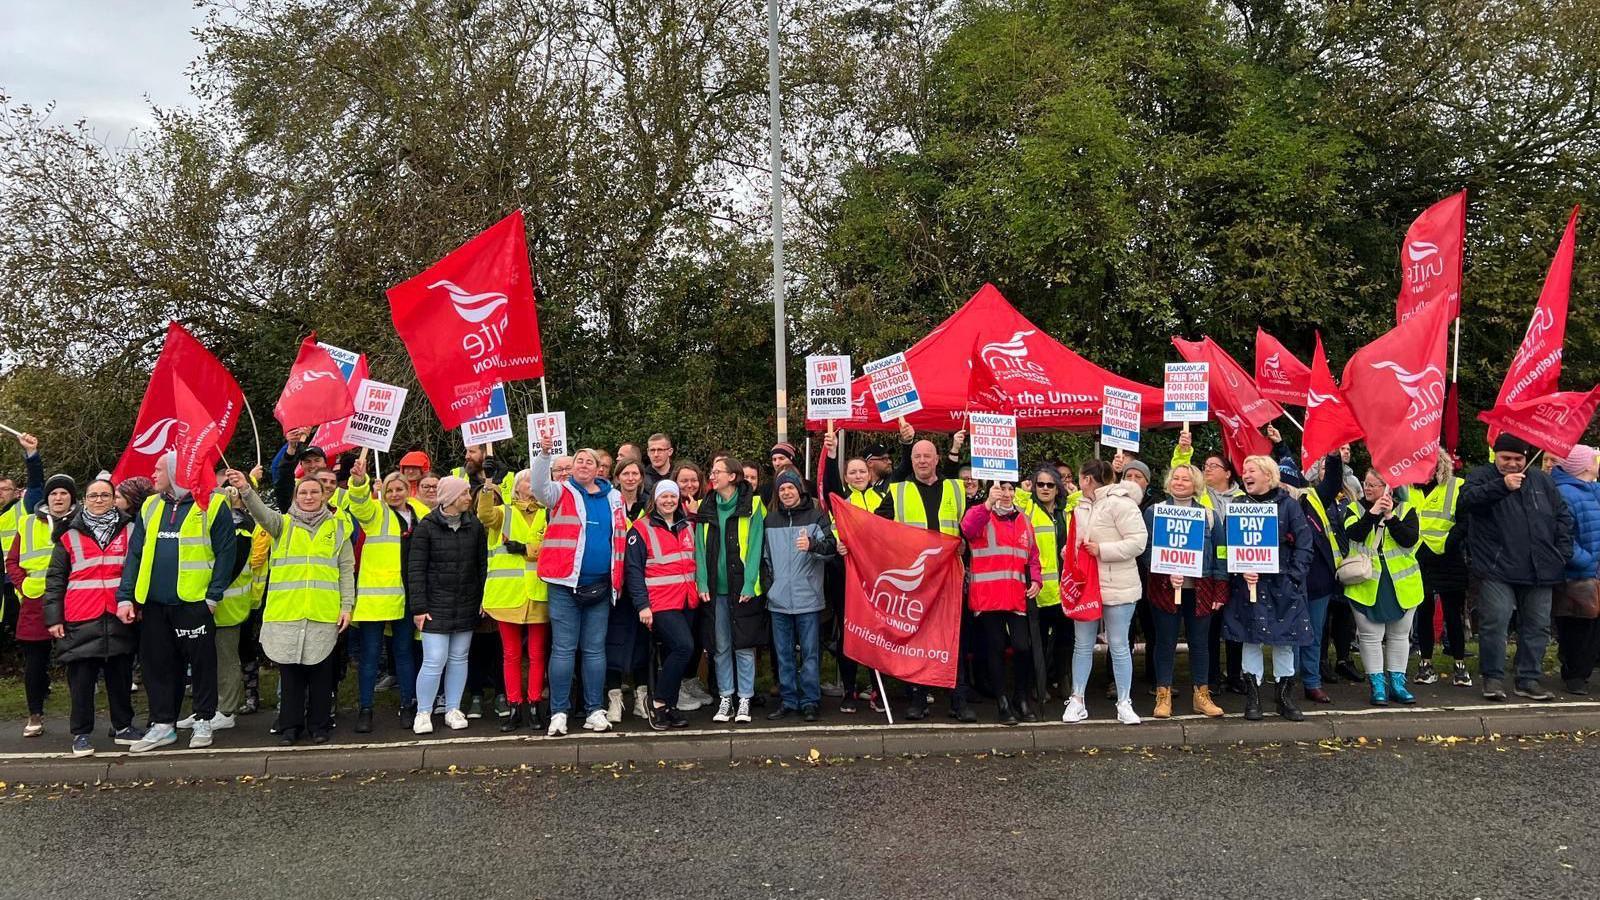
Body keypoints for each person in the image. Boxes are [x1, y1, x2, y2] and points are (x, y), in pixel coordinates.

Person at [117, 451, 236, 752]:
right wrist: (126, 596)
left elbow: (226, 553)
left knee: (202, 664)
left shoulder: (213, 502)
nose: (153, 475)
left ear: (177, 471)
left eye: (159, 470)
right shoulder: (150, 504)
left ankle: (204, 719)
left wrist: (213, 596)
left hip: (194, 602)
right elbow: (135, 554)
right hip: (154, 603)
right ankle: (162, 725)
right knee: (157, 665)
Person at [228, 468, 355, 744]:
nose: (308, 497)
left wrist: (347, 606)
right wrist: (246, 490)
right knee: (291, 674)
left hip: (323, 612)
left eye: (314, 492)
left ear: (324, 495)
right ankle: (290, 726)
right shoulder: (281, 524)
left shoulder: (338, 528)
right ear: (296, 497)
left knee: (321, 675)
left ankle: (319, 726)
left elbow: (346, 570)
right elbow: (260, 513)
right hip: (287, 613)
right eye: (303, 492)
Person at [1462, 434, 1573, 701]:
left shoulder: (1542, 480)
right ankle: (1493, 678)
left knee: (1537, 626)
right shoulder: (1481, 476)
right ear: (1495, 456)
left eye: (1518, 458)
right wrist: (1502, 486)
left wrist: (1561, 553)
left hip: (1540, 567)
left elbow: (1562, 516)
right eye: (1506, 458)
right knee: (1495, 622)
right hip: (1496, 568)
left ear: (1526, 458)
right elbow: (1466, 502)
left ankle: (1528, 679)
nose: (1512, 463)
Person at [531, 442, 628, 737]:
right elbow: (538, 487)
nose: (584, 465)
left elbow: (619, 540)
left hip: (600, 585)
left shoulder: (614, 497)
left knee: (595, 651)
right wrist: (545, 456)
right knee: (563, 649)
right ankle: (559, 712)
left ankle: (594, 710)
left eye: (590, 461)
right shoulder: (562, 492)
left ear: (599, 468)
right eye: (579, 461)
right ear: (572, 467)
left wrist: (617, 581)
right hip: (564, 583)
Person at [42, 477, 142, 755]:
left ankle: (123, 727)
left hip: (119, 614)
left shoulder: (131, 529)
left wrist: (137, 605)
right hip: (80, 616)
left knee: (120, 678)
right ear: (84, 501)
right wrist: (54, 618)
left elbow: (138, 571)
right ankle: (81, 734)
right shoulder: (68, 533)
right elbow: (55, 580)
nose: (99, 500)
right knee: (81, 682)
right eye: (93, 495)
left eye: (105, 495)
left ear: (114, 499)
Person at [1221, 455, 1314, 721]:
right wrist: (1239, 568)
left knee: (1285, 642)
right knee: (1250, 640)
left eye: (1251, 470)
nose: (1245, 474)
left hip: (1281, 585)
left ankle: (1285, 699)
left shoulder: (1289, 505)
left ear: (1267, 475)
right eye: (1244, 470)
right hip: (1247, 586)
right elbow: (1226, 546)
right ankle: (1254, 698)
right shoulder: (1237, 505)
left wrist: (1293, 578)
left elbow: (1304, 545)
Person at [889, 419, 967, 719]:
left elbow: (970, 527)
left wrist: (965, 546)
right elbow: (878, 528)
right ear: (911, 461)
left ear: (937, 460)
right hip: (917, 579)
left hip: (949, 576)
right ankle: (918, 700)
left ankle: (958, 702)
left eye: (927, 456)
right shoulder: (898, 491)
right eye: (917, 456)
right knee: (919, 638)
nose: (922, 460)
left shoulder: (955, 489)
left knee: (954, 638)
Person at [1063, 459, 1147, 725]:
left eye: (1080, 477)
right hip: (1086, 586)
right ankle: (1077, 700)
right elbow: (1077, 541)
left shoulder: (1121, 503)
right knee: (1083, 644)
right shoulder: (1080, 507)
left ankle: (1125, 702)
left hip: (1118, 584)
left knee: (1120, 645)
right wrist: (1071, 552)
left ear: (1087, 479)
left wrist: (1103, 550)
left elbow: (1138, 541)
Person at [404, 475, 488, 733]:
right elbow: (415, 569)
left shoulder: (474, 526)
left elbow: (482, 565)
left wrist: (483, 598)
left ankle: (453, 707)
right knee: (434, 660)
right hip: (434, 605)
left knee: (459, 658)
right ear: (451, 497)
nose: (468, 498)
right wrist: (419, 607)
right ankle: (424, 712)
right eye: (464, 493)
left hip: (466, 603)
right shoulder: (427, 527)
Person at [1143, 464, 1226, 718]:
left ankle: (1201, 694)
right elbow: (1145, 549)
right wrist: (1163, 569)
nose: (1180, 483)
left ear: (1195, 485)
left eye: (1186, 479)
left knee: (1200, 644)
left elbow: (1221, 554)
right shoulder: (1154, 512)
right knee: (1164, 642)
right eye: (1176, 478)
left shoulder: (1209, 516)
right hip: (1164, 589)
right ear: (1169, 482)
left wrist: (1220, 589)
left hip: (1201, 590)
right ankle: (1163, 695)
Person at [345, 456, 419, 732]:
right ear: (383, 492)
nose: (394, 494)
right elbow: (359, 503)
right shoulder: (376, 513)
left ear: (408, 490)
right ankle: (366, 710)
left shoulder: (419, 514)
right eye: (389, 490)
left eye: (399, 489)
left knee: (404, 653)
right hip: (377, 597)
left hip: (408, 596)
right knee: (371, 655)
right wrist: (359, 481)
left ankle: (407, 706)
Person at [963, 479, 1043, 724]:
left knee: (1022, 647)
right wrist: (987, 503)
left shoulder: (1023, 520)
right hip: (988, 596)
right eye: (1001, 489)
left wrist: (1037, 580)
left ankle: (1020, 696)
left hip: (1016, 595)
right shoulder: (980, 514)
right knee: (995, 648)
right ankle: (1002, 702)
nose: (1006, 494)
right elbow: (967, 529)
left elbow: (1033, 555)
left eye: (1010, 489)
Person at [476, 468, 550, 732]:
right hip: (508, 595)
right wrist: (487, 486)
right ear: (517, 487)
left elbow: (552, 544)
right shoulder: (504, 512)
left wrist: (526, 549)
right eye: (527, 480)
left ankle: (534, 703)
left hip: (539, 593)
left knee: (537, 653)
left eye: (535, 480)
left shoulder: (547, 512)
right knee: (511, 654)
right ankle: (514, 704)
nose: (531, 485)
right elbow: (484, 514)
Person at [761, 470, 837, 722]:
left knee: (810, 654)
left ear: (799, 490)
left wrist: (813, 545)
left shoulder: (816, 517)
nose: (786, 493)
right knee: (783, 654)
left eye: (790, 488)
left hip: (808, 599)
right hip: (778, 600)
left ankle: (810, 701)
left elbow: (831, 549)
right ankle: (788, 699)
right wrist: (770, 587)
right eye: (782, 489)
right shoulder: (770, 520)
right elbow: (764, 559)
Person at [694, 457, 766, 725]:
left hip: (742, 588)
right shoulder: (705, 505)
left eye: (717, 472)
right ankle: (726, 697)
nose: (712, 476)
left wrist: (750, 582)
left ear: (733, 476)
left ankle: (745, 698)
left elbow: (756, 544)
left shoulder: (754, 504)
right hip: (716, 588)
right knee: (721, 646)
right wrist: (702, 581)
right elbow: (699, 549)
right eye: (712, 471)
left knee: (744, 645)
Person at [1344, 470, 1423, 706]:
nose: (1367, 488)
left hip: (1402, 584)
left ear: (1388, 487)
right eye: (1366, 484)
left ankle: (1398, 683)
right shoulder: (1354, 509)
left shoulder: (1406, 510)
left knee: (1400, 635)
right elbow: (1354, 534)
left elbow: (1409, 539)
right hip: (1365, 584)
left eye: (1373, 485)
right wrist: (1372, 514)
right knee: (1370, 636)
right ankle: (1377, 684)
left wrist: (1390, 517)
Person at [625, 480, 698, 728]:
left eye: (673, 497)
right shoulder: (640, 529)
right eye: (664, 496)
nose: (669, 501)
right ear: (655, 499)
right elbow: (633, 571)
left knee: (673, 653)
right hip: (659, 603)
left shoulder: (687, 525)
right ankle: (658, 701)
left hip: (687, 599)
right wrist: (642, 605)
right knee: (683, 647)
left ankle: (670, 707)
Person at [1014, 465, 1071, 705]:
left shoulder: (1067, 511)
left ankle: (1064, 682)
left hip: (1066, 589)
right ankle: (1040, 685)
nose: (1045, 489)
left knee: (1066, 641)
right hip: (1038, 590)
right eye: (1040, 484)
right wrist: (1023, 493)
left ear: (1058, 488)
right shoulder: (1027, 509)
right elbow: (1013, 508)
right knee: (1038, 643)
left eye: (1050, 484)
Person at [2, 433, 47, 737]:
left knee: (36, 651)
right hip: (8, 590)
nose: (0, 493)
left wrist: (31, 455)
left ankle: (39, 705)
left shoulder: (24, 509)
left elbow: (37, 487)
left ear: (14, 492)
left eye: (5, 489)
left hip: (24, 590)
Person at [1413, 452, 1471, 687]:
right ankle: (1425, 663)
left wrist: (1450, 542)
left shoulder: (1457, 485)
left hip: (1449, 557)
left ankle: (1459, 664)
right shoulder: (1406, 488)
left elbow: (1465, 520)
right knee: (1424, 614)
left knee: (1452, 615)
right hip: (1418, 557)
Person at [605, 457, 652, 721]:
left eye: (635, 473)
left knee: (642, 643)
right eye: (626, 473)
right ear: (618, 477)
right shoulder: (609, 504)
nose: (631, 478)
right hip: (615, 585)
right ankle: (615, 700)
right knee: (614, 641)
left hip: (644, 585)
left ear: (641, 478)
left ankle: (641, 698)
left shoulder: (650, 505)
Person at [1551, 445, 1600, 694]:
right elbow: (1564, 538)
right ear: (1584, 465)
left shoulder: (1593, 490)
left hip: (1593, 574)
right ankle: (1575, 676)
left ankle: (1582, 672)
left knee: (1591, 628)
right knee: (1578, 627)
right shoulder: (1566, 494)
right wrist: (1588, 561)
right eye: (1595, 458)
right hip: (1578, 575)